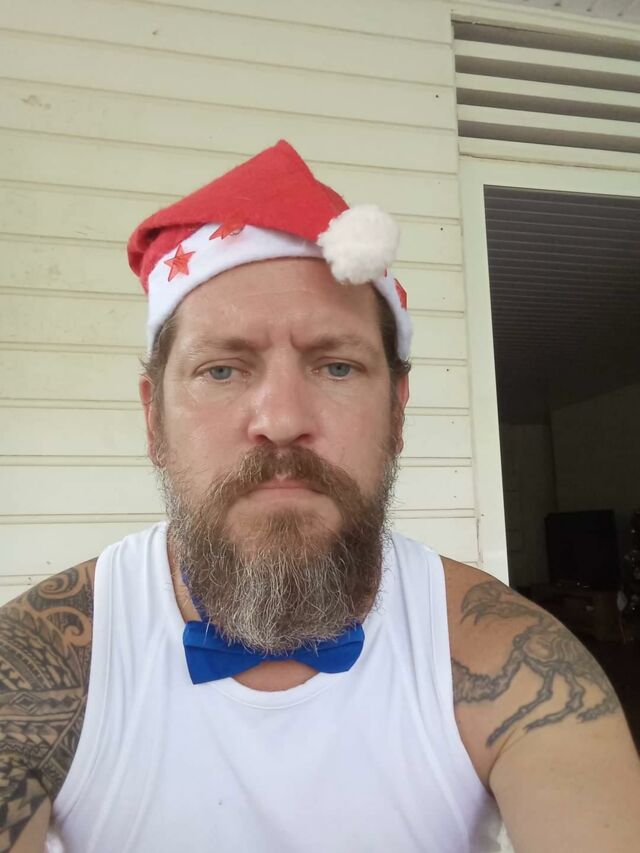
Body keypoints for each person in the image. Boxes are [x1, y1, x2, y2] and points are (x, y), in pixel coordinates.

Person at [0, 141, 638, 853]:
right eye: (221, 370)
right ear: (154, 418)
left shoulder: (516, 660)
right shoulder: (35, 664)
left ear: (397, 411)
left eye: (336, 366)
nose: (281, 419)